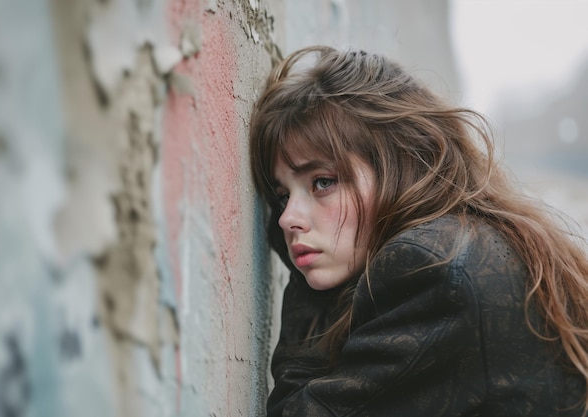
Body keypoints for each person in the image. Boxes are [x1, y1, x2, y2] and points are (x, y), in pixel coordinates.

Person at [249, 45, 588, 416]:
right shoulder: (473, 241)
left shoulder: (430, 269)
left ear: (399, 167)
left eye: (323, 182)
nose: (286, 218)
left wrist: (306, 290)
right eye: (283, 196)